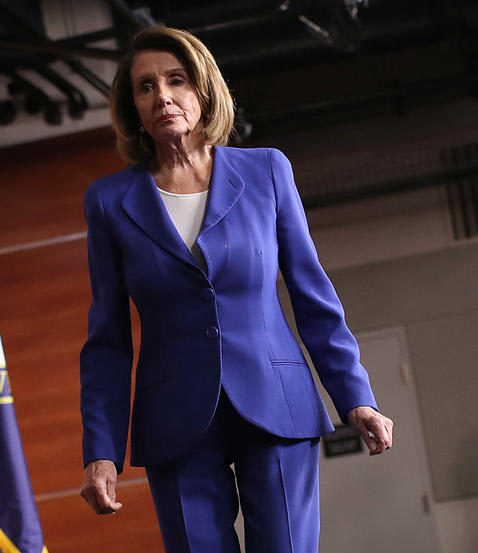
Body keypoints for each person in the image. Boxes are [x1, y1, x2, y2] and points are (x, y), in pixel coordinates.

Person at [78, 25, 394, 553]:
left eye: (177, 80)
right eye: (146, 87)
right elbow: (107, 339)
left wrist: (355, 397)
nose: (163, 96)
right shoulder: (109, 202)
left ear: (203, 89)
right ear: (133, 107)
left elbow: (314, 298)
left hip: (277, 402)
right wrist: (101, 449)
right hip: (174, 419)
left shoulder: (267, 170)